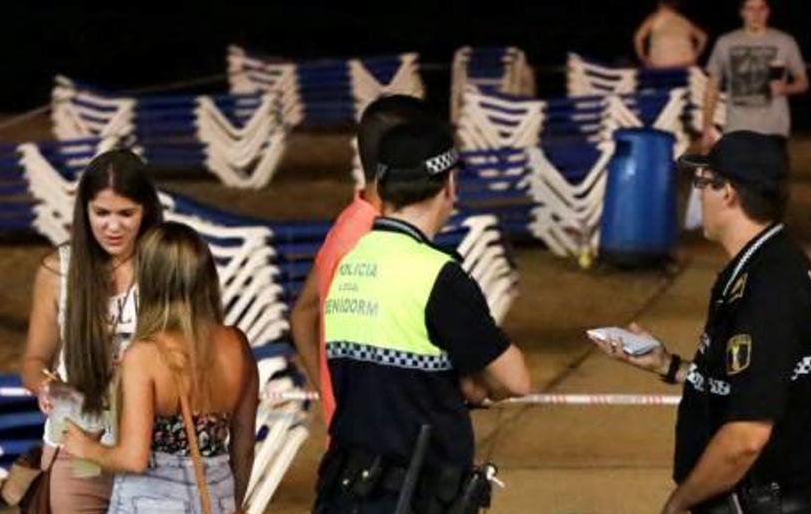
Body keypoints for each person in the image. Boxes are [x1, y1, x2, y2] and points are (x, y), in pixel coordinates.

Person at [592, 131, 811, 514]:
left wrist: (678, 503)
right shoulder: (760, 266)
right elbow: (745, 385)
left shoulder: (768, 286)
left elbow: (747, 436)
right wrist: (666, 365)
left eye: (703, 183)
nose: (696, 196)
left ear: (729, 193)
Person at [314, 117, 531, 513]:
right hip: (411, 496)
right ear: (449, 186)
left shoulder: (349, 264)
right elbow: (515, 379)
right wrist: (473, 383)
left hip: (345, 492)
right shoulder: (437, 277)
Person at [63, 222, 260, 514]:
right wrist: (232, 502)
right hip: (218, 495)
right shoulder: (237, 344)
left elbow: (133, 457)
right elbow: (243, 447)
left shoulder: (145, 355)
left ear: (150, 279)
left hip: (150, 499)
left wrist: (84, 448)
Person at [21, 149, 162, 513]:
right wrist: (47, 384)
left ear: (146, 210)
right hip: (78, 439)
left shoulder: (165, 266)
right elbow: (34, 361)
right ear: (84, 211)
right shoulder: (58, 271)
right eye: (101, 213)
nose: (112, 226)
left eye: (125, 214)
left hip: (152, 444)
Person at [289, 94, 430, 426]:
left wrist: (332, 398)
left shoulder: (352, 221)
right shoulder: (366, 237)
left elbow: (302, 313)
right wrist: (336, 399)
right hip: (379, 448)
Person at [702, 0, 809, 146]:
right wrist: (706, 127)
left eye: (761, 9)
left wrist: (786, 88)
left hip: (774, 130)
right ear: (742, 12)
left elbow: (803, 83)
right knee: (734, 171)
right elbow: (712, 88)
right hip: (736, 128)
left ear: (768, 12)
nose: (756, 14)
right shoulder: (725, 42)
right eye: (750, 9)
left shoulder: (785, 42)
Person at [633, 0, 709, 68]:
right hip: (686, 63)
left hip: (661, 64)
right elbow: (703, 37)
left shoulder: (656, 17)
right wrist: (696, 56)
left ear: (660, 4)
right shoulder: (683, 20)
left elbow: (638, 37)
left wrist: (643, 59)